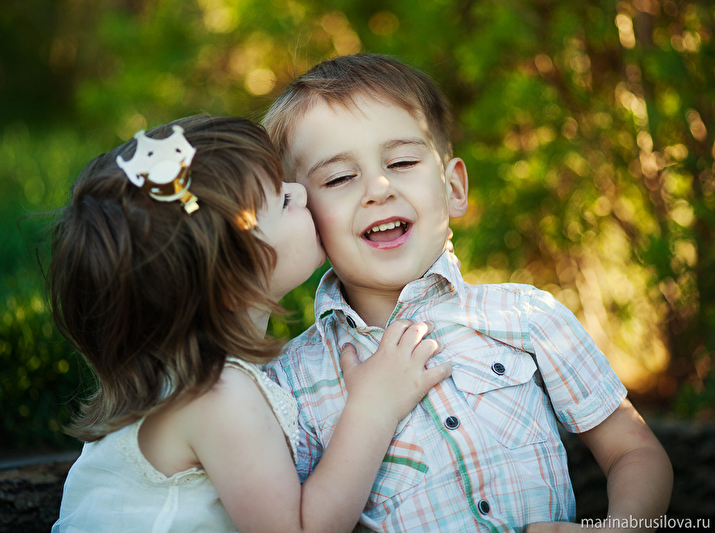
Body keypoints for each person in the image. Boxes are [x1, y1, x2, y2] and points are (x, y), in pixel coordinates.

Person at [263, 54, 673, 532]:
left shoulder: (526, 317)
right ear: (306, 219)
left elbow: (633, 449)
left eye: (401, 162)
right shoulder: (289, 382)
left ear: (454, 187)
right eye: (338, 178)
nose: (378, 188)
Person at [48, 115, 452, 533]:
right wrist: (373, 407)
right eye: (283, 200)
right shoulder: (217, 395)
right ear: (232, 277)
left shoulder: (181, 380)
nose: (301, 191)